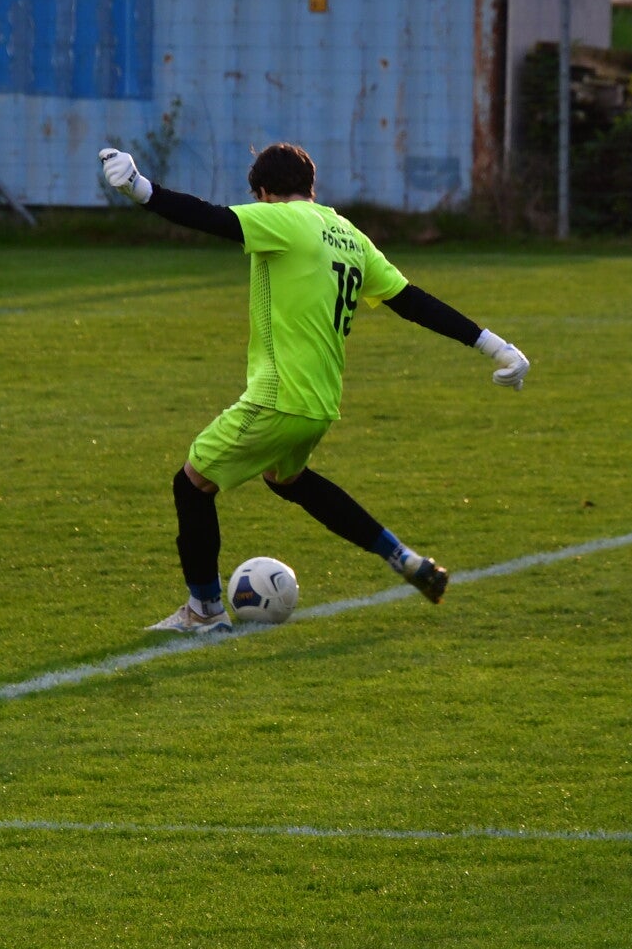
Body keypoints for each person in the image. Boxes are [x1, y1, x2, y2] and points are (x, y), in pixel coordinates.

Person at [97, 143, 531, 634]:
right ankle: (403, 558)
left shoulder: (284, 220)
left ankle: (204, 610)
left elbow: (213, 218)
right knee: (288, 480)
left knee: (192, 483)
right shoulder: (349, 235)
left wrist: (141, 190)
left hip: (277, 396)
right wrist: (496, 347)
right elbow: (412, 302)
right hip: (319, 403)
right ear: (311, 186)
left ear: (265, 193)